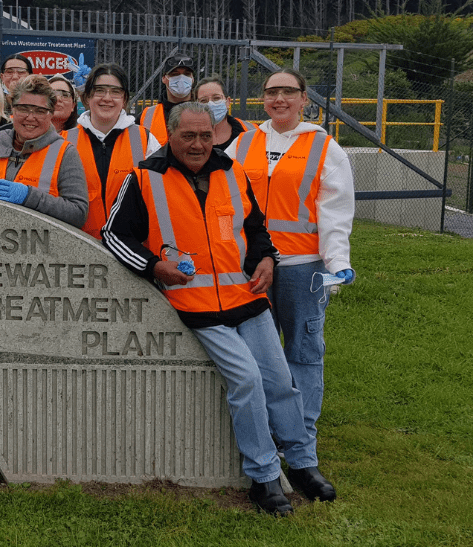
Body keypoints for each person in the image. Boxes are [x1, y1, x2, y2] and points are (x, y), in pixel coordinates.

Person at [103, 102, 336, 516]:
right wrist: (155, 266)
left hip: (246, 298)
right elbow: (114, 236)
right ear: (170, 136)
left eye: (205, 135)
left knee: (280, 381)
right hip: (194, 305)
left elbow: (256, 229)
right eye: (188, 136)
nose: (197, 144)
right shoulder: (142, 178)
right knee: (246, 380)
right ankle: (263, 477)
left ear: (215, 134)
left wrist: (266, 260)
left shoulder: (233, 172)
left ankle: (302, 464)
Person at [227, 69, 355, 460]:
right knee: (255, 353)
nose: (278, 99)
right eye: (271, 92)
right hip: (252, 266)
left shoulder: (324, 147)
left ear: (304, 99)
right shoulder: (242, 144)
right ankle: (265, 429)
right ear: (262, 99)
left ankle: (300, 436)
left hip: (303, 266)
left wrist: (338, 260)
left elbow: (334, 211)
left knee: (302, 351)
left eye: (288, 92)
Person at [0, 75, 88, 227]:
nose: (30, 117)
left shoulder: (65, 153)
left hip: (37, 246)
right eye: (23, 108)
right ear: (13, 108)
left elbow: (78, 213)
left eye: (40, 111)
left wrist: (30, 196)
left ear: (51, 113)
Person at [61, 63, 159, 239]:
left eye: (115, 91)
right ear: (87, 96)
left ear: (124, 99)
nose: (107, 98)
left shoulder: (145, 140)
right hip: (78, 247)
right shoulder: (65, 141)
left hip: (133, 250)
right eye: (100, 90)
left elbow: (160, 198)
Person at [138, 52, 195, 144]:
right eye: (175, 74)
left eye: (187, 74)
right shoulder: (147, 116)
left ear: (192, 79)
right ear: (164, 78)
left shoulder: (203, 113)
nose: (181, 78)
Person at [195, 75, 255, 151]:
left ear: (228, 102)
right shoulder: (188, 137)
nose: (210, 104)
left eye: (216, 98)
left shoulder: (251, 131)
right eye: (203, 101)